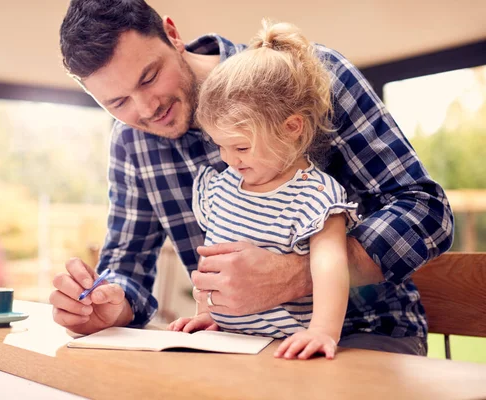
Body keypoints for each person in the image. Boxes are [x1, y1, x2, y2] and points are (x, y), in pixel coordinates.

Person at [51, 0, 453, 356]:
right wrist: (107, 306)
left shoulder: (307, 79)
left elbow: (427, 213)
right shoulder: (131, 142)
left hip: (361, 334)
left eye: (149, 77)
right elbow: (126, 266)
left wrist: (295, 275)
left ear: (173, 35)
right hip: (234, 343)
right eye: (118, 102)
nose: (147, 108)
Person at [166, 21, 360, 360]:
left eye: (240, 148)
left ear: (291, 129)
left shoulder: (315, 196)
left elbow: (331, 267)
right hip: (230, 346)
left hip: (285, 351)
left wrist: (322, 331)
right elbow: (214, 260)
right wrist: (208, 315)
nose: (228, 159)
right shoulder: (222, 186)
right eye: (220, 146)